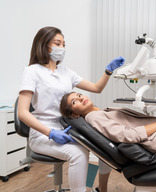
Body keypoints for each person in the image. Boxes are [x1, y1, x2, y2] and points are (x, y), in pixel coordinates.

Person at [18, 26, 124, 192]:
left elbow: (96, 88)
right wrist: (50, 133)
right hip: (43, 133)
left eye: (64, 44)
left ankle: (97, 188)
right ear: (44, 44)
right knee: (78, 154)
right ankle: (79, 190)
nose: (62, 48)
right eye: (57, 43)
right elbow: (22, 112)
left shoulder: (65, 72)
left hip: (68, 128)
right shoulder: (32, 72)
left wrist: (108, 71)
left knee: (102, 146)